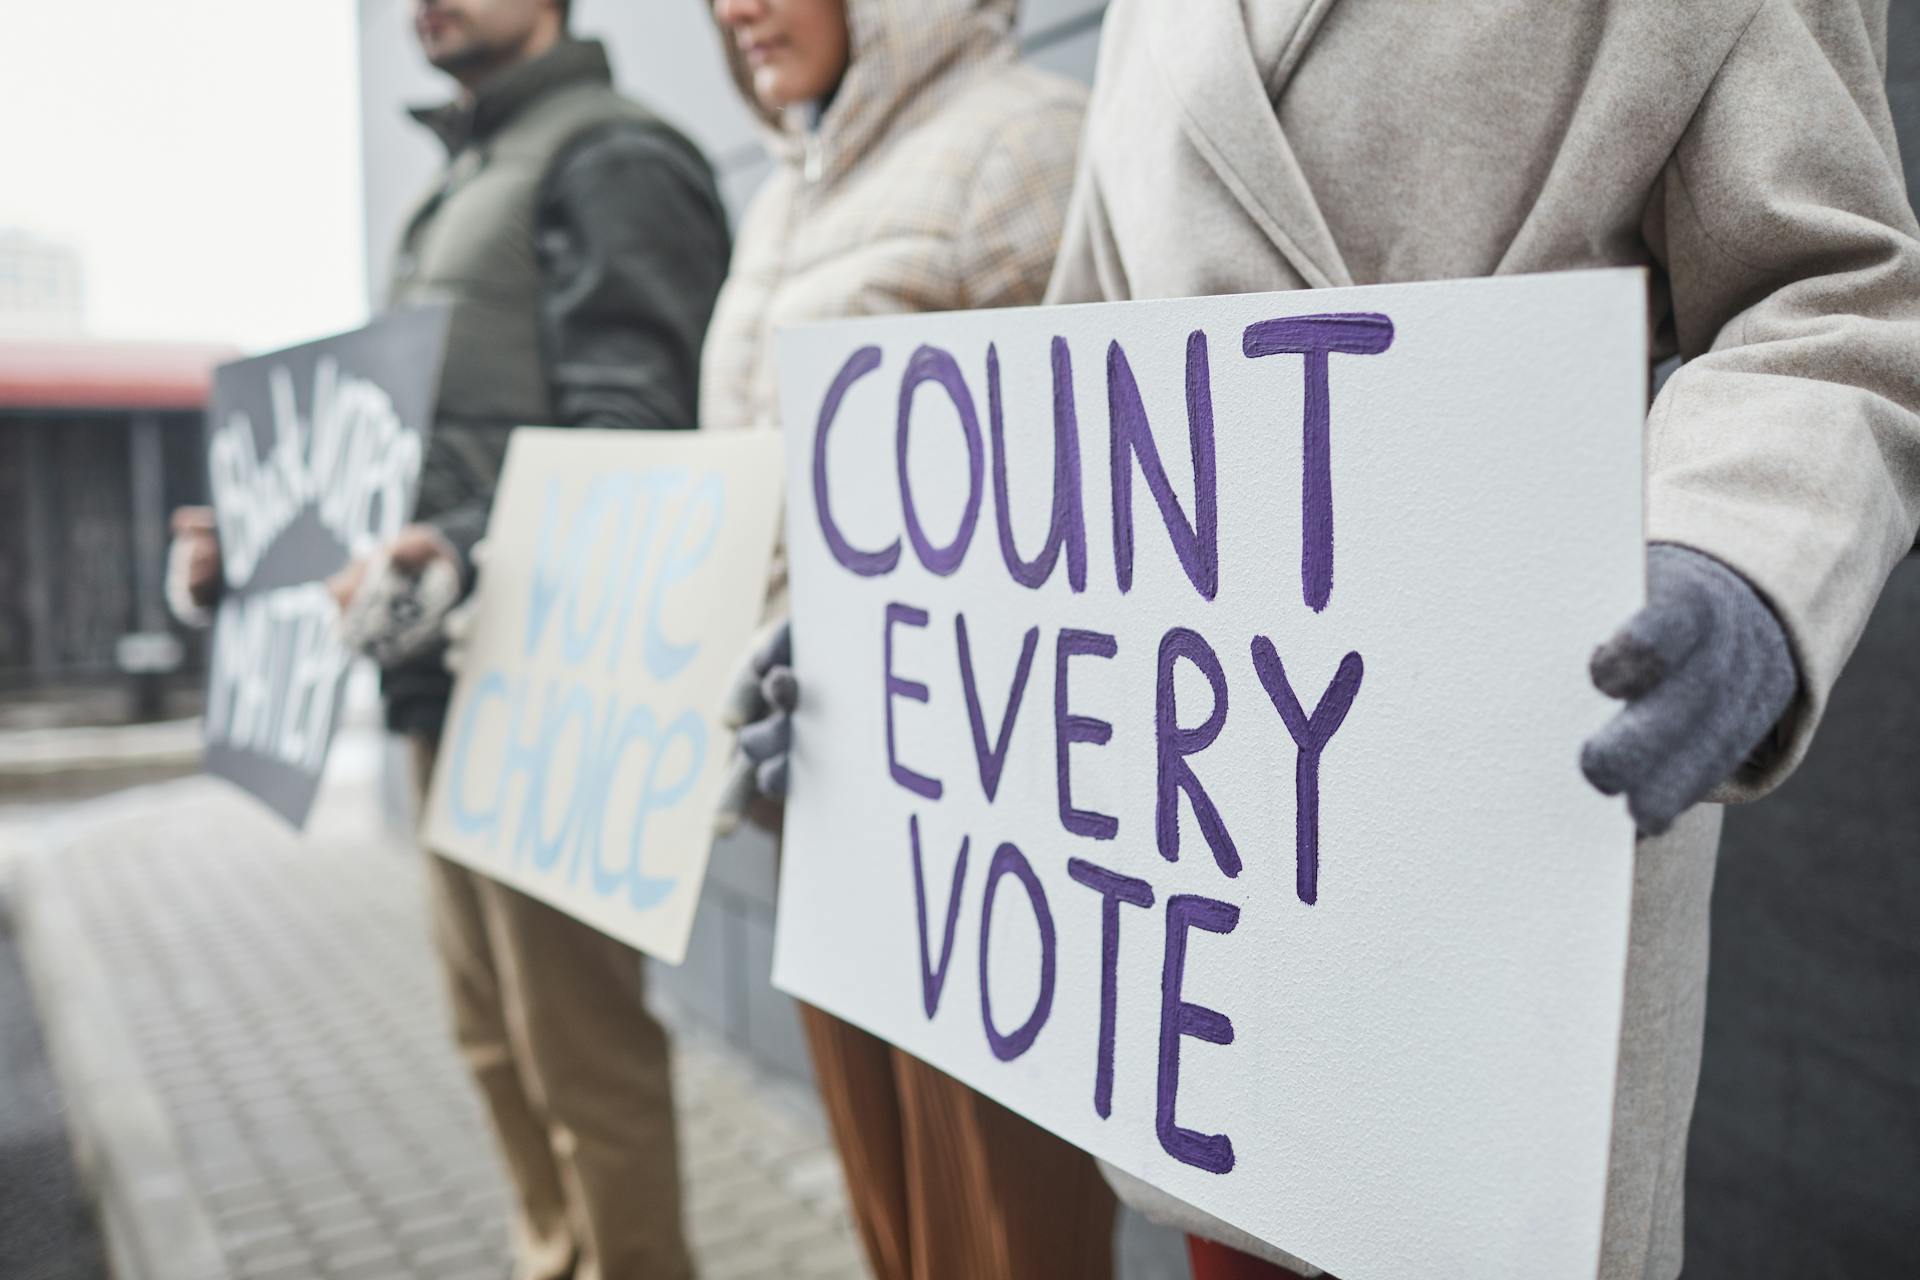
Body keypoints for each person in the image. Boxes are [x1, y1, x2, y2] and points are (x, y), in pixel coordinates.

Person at [1034, 2, 1920, 1278]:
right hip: (1215, 808)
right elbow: (1079, 367)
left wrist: (1739, 550)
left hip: (1523, 752)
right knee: (1239, 1236)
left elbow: (1838, 296)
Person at [169, 2, 729, 1277]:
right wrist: (255, 557)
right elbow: (407, 469)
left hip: (554, 692)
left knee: (583, 1069)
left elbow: (646, 433)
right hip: (443, 691)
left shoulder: (614, 157)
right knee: (495, 1053)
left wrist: (464, 547)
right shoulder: (459, 182)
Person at [702, 1, 1115, 1277]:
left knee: (1000, 1230)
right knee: (893, 1217)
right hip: (808, 787)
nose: (734, 8)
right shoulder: (784, 193)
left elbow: (1097, 500)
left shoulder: (1026, 141)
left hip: (978, 817)